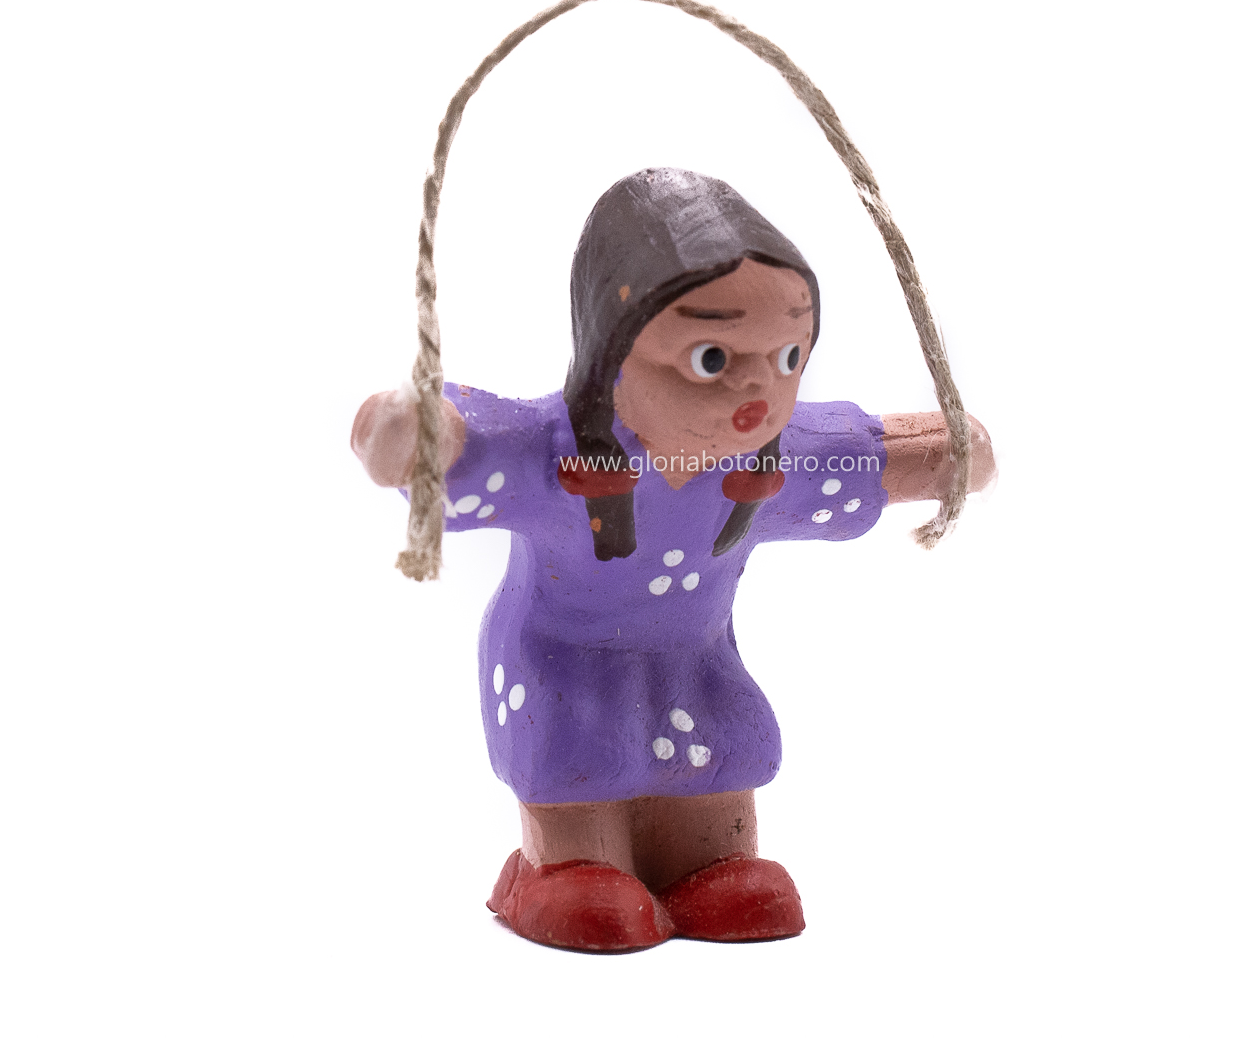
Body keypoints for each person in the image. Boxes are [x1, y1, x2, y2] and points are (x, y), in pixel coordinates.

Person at [352, 168, 994, 951]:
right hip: (562, 660)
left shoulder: (771, 462)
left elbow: (860, 456)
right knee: (579, 765)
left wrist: (942, 456)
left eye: (789, 354)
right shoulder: (557, 459)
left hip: (696, 662)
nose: (759, 389)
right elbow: (471, 440)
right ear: (614, 350)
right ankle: (563, 865)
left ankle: (709, 864)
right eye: (712, 358)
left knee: (716, 776)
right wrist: (418, 438)